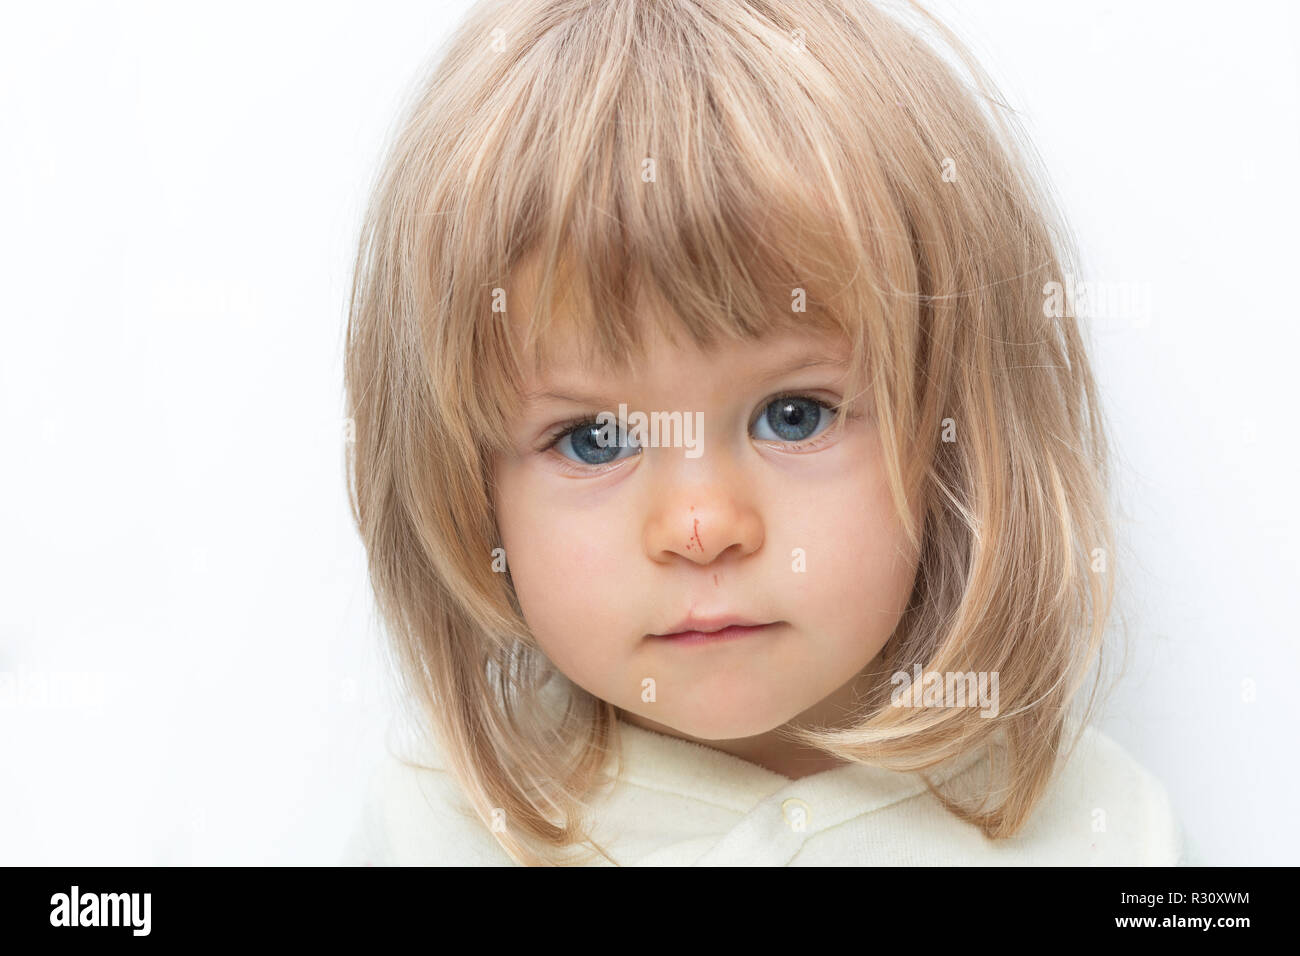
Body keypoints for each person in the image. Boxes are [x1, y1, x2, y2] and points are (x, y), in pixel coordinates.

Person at [339, 0, 1184, 866]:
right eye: (594, 438)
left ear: (958, 440)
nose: (701, 527)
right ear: (467, 491)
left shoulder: (1102, 831)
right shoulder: (434, 832)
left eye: (795, 416)